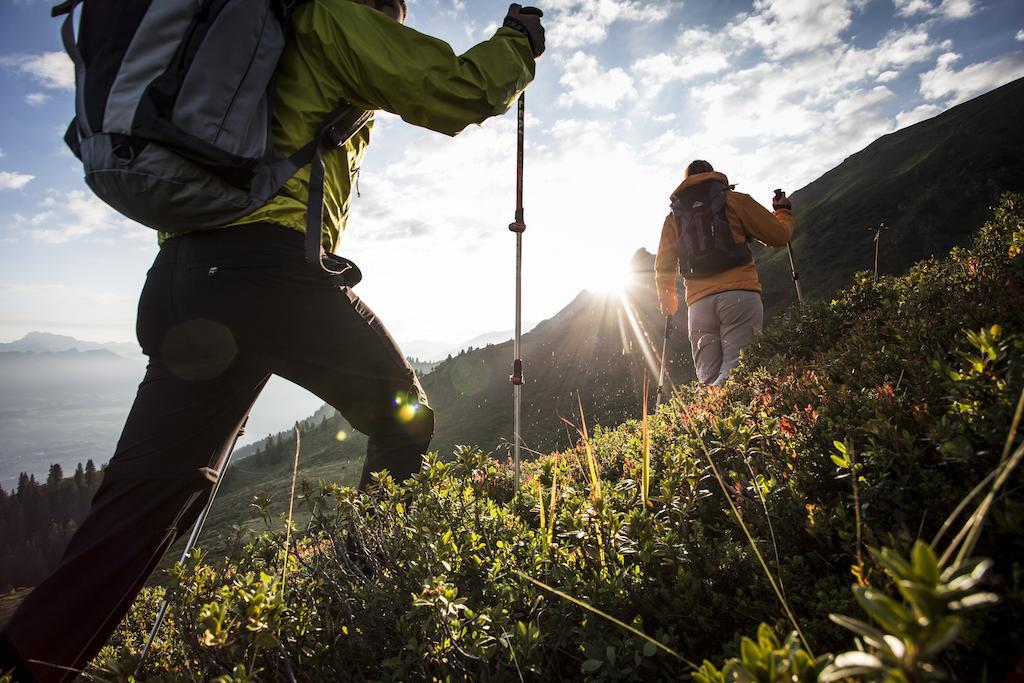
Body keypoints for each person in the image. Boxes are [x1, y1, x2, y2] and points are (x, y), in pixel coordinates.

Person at [0, 2, 544, 680]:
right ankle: (369, 596)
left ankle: (26, 661)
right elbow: (459, 88)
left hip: (182, 282)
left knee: (137, 509)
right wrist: (518, 44)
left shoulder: (250, 24)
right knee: (405, 417)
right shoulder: (325, 15)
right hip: (270, 277)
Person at [655, 160, 794, 387]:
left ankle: (709, 417)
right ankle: (728, 414)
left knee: (707, 377)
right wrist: (783, 212)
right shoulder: (735, 201)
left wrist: (668, 302)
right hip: (739, 296)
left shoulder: (674, 217)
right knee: (738, 369)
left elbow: (663, 266)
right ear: (713, 175)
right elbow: (778, 236)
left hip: (699, 305)